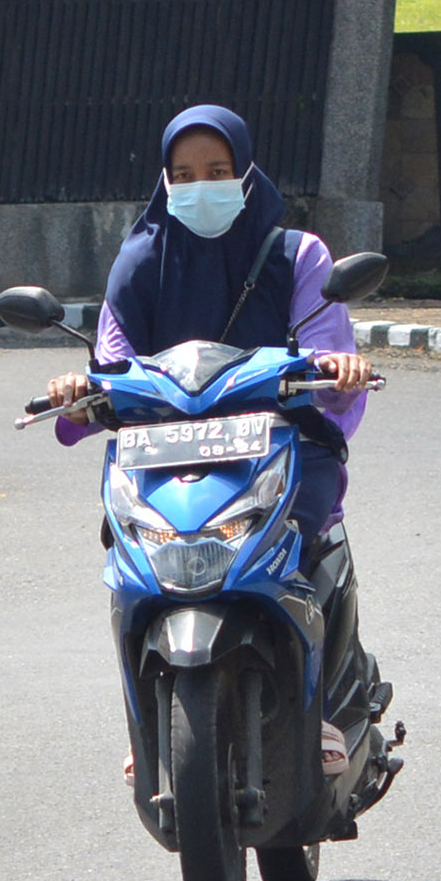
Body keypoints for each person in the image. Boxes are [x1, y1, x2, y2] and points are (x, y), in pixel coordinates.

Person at [43, 105, 384, 780]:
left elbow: (327, 353)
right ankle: (149, 712)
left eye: (218, 171)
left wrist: (339, 369)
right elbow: (110, 361)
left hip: (279, 444)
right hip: (164, 456)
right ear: (165, 182)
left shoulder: (296, 255)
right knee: (125, 548)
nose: (202, 185)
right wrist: (75, 389)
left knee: (309, 527)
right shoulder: (139, 262)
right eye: (185, 174)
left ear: (246, 173)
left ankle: (317, 705)